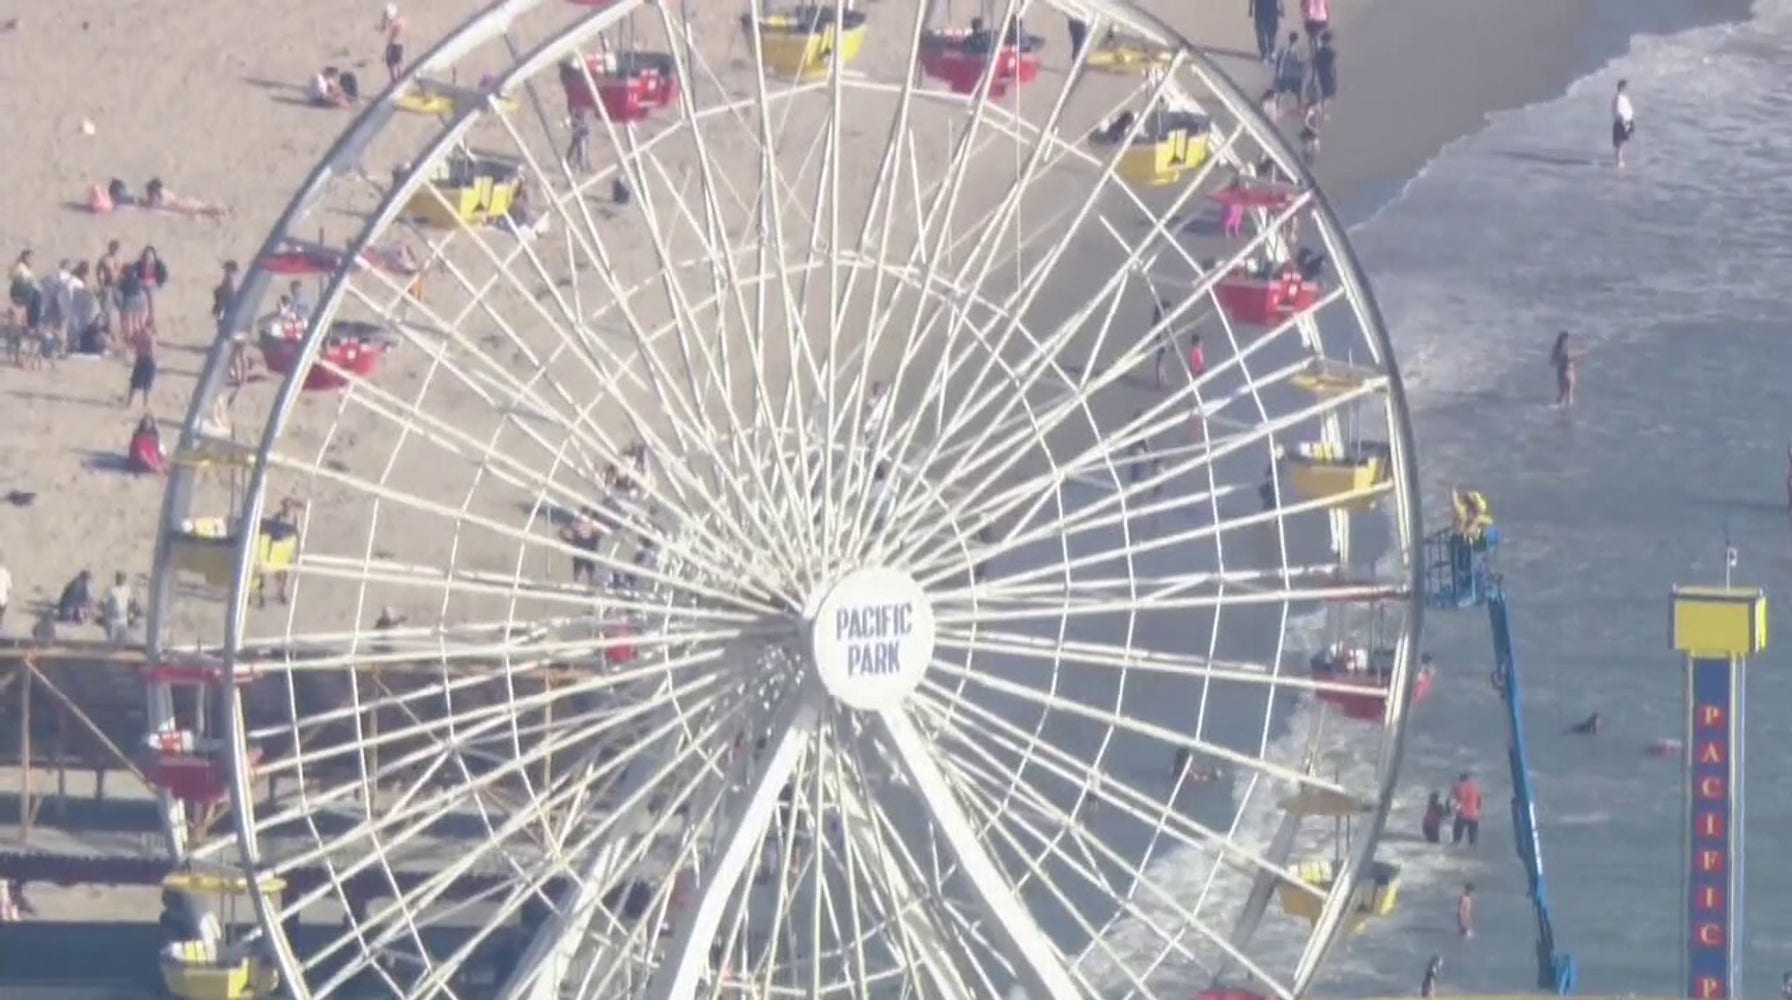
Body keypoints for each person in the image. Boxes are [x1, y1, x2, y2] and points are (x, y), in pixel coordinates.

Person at [1271, 33, 1305, 116]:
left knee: (1279, 92)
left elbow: (1277, 60)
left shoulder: (1283, 49)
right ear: (1297, 40)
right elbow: (1299, 63)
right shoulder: (1297, 51)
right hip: (1293, 75)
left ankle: (1276, 108)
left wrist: (1277, 73)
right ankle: (1299, 108)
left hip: (1283, 74)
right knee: (1298, 93)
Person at [101, 572, 138, 644]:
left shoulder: (127, 589)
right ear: (116, 579)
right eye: (119, 578)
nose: (120, 580)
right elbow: (102, 602)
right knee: (111, 641)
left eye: (122, 578)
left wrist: (131, 615)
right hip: (112, 620)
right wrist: (104, 615)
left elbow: (131, 602)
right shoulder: (111, 589)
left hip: (123, 620)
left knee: (123, 641)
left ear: (125, 580)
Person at [1450, 772, 1482, 846]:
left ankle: (1455, 853)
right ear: (1468, 779)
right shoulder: (1476, 787)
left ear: (1461, 779)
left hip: (1462, 814)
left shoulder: (1457, 786)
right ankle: (1472, 854)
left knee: (1456, 840)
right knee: (1473, 841)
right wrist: (1476, 811)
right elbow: (1479, 803)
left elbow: (1453, 801)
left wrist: (1457, 810)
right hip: (1474, 816)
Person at [1550, 331, 1580, 408]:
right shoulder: (1566, 348)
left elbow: (1552, 362)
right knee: (1570, 394)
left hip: (1560, 373)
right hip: (1569, 372)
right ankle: (1567, 413)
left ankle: (1558, 408)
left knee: (1561, 393)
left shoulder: (1556, 349)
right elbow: (1569, 357)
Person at [379, 4, 409, 83]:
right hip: (399, 45)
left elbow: (389, 35)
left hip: (394, 46)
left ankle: (396, 83)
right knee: (398, 66)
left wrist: (387, 25)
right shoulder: (401, 20)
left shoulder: (394, 23)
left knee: (394, 67)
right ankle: (398, 82)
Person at [1311, 30, 1337, 116]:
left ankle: (1321, 109)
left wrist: (1313, 77)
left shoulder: (1318, 52)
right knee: (1328, 94)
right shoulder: (1332, 52)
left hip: (1320, 74)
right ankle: (1322, 110)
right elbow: (1332, 66)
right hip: (1328, 74)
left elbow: (1314, 64)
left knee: (1324, 93)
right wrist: (1334, 77)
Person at [1611, 79, 1635, 168]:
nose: (1627, 89)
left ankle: (1620, 159)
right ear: (1621, 87)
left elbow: (1627, 109)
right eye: (1626, 87)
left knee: (1624, 141)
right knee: (1620, 142)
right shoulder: (1618, 97)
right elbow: (1617, 110)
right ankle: (1618, 160)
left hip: (1627, 120)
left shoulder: (1624, 97)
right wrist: (1623, 120)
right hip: (1621, 122)